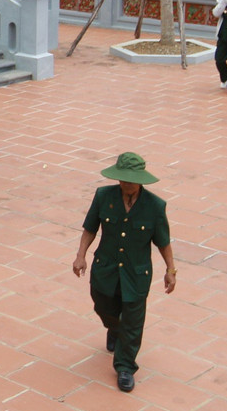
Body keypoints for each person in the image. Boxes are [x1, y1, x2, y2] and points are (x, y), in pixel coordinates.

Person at [72, 152, 176, 393]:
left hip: (136, 274)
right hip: (106, 267)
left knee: (133, 320)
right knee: (102, 305)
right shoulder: (103, 196)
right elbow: (90, 228)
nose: (125, 184)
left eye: (130, 180)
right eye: (122, 179)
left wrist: (171, 270)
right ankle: (114, 328)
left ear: (140, 180)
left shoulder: (155, 206)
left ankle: (125, 366)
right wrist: (81, 255)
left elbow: (163, 242)